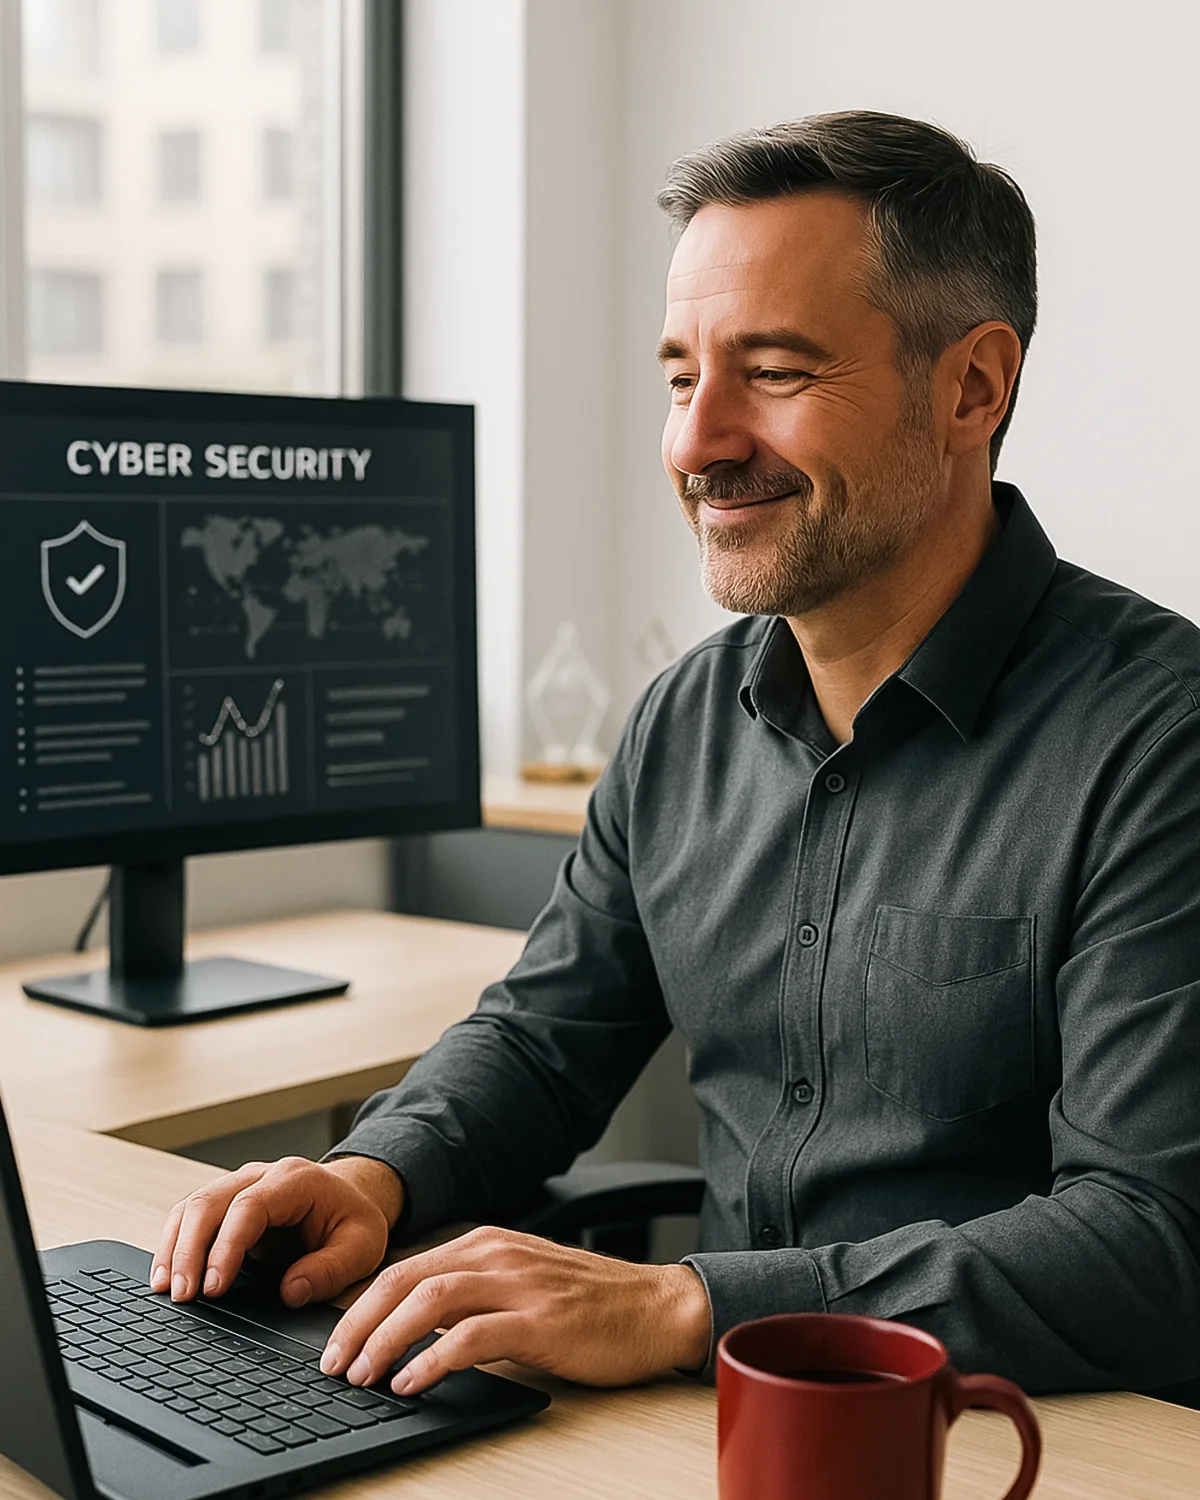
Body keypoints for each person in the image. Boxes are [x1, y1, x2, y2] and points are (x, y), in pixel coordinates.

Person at [154, 111, 1200, 1402]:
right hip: (710, 1427)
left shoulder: (1160, 740)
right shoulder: (682, 721)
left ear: (972, 388)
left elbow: (1154, 1242)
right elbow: (545, 1037)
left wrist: (683, 1302)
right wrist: (376, 1175)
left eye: (776, 372)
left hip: (1008, 1434)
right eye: (679, 378)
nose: (699, 442)